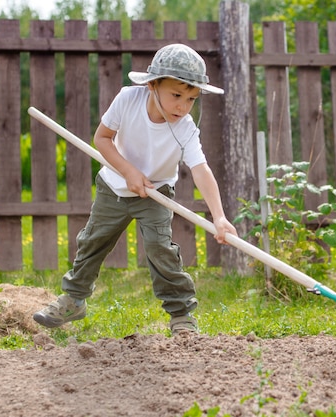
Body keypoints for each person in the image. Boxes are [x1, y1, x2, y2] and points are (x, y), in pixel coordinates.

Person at [33, 43, 237, 335]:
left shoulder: (186, 128)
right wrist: (128, 171)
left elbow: (201, 169)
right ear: (153, 85)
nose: (182, 105)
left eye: (191, 99)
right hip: (113, 187)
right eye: (176, 95)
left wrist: (218, 216)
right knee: (92, 242)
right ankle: (74, 299)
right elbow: (102, 138)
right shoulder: (128, 99)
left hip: (156, 194)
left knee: (160, 249)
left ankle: (180, 314)